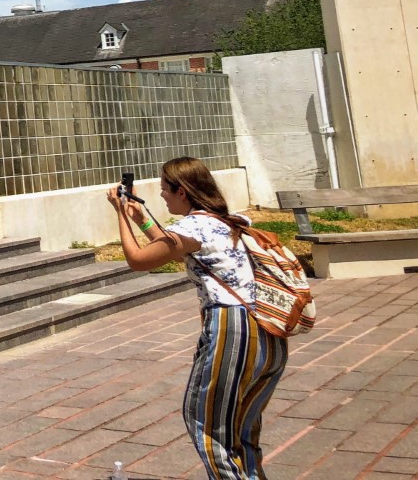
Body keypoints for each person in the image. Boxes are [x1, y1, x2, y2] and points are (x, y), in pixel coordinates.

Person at [108, 157, 288, 480]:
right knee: (242, 433)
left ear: (183, 192)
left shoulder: (193, 227)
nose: (161, 195)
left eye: (165, 189)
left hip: (233, 332)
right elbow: (173, 247)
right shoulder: (228, 221)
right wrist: (140, 220)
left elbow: (138, 260)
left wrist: (121, 213)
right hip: (268, 330)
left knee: (207, 425)